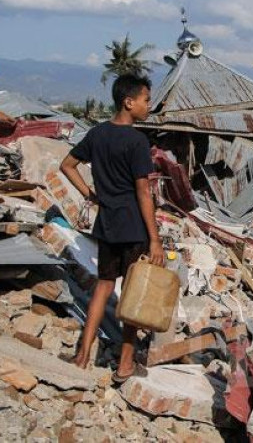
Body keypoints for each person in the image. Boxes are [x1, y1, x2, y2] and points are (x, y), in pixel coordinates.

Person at [60, 73, 164, 382]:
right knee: (131, 296)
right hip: (134, 227)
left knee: (103, 288)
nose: (149, 105)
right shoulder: (136, 141)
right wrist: (155, 239)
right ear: (128, 102)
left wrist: (90, 194)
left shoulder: (97, 134)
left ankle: (82, 356)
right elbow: (144, 193)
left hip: (107, 225)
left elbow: (66, 165)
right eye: (146, 100)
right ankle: (125, 365)